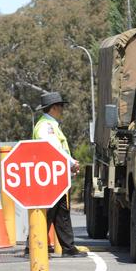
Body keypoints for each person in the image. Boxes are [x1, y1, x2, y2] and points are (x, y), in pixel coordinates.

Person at [25, 91, 86, 258]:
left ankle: (68, 247)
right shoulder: (46, 126)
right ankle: (32, 247)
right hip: (50, 177)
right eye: (60, 107)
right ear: (53, 108)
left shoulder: (50, 125)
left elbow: (58, 151)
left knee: (61, 212)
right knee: (50, 212)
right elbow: (54, 150)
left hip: (55, 176)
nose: (62, 110)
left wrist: (70, 163)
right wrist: (71, 163)